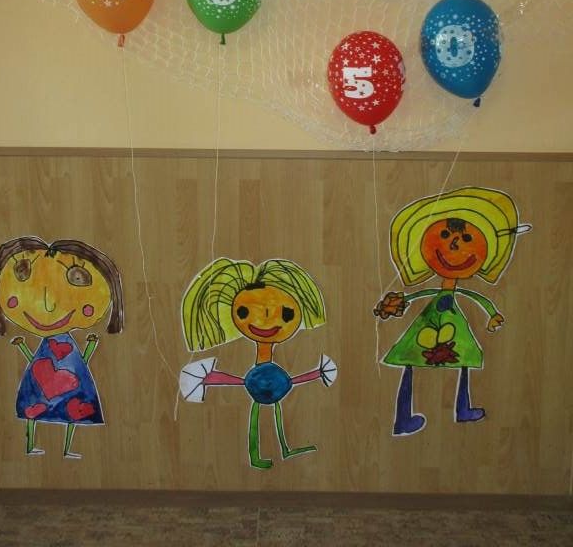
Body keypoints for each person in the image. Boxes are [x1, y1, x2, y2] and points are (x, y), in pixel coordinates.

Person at [374, 187, 530, 436]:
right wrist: (396, 303)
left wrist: (492, 314)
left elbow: (476, 297)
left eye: (466, 239)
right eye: (445, 234)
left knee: (464, 358)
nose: (454, 244)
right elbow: (421, 295)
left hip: (451, 325)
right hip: (429, 322)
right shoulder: (433, 281)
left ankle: (463, 409)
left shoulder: (462, 282)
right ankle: (403, 418)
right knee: (409, 360)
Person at [179, 257, 337, 469]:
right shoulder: (255, 377)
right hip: (259, 384)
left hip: (276, 384)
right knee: (259, 416)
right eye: (245, 311)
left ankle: (284, 449)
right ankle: (257, 456)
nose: (265, 319)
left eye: (285, 314)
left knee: (272, 414)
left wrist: (317, 373)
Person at [0, 236, 123, 457]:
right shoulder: (51, 346)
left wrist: (90, 346)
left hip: (72, 386)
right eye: (22, 272)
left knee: (71, 414)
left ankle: (66, 448)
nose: (48, 305)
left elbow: (77, 364)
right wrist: (22, 347)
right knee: (34, 411)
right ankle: (32, 445)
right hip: (47, 385)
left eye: (78, 277)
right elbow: (43, 363)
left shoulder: (65, 346)